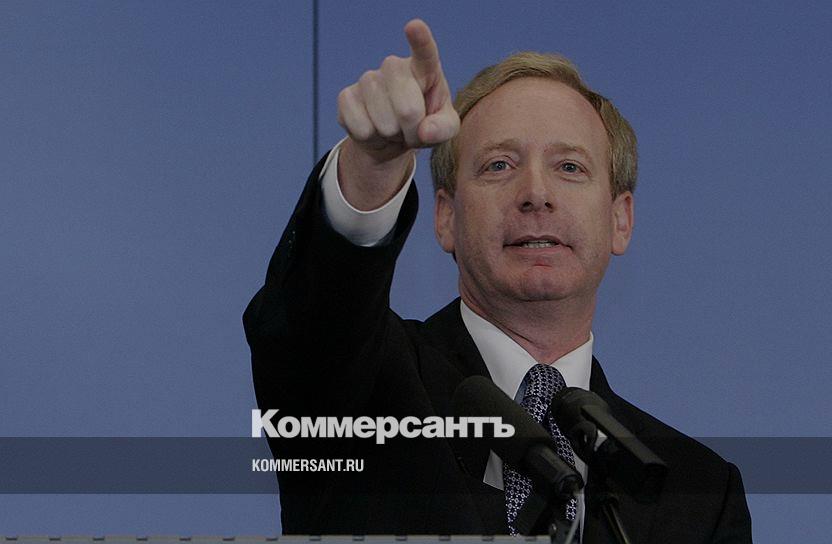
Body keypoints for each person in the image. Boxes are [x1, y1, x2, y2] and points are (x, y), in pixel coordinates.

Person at [244, 19, 752, 542]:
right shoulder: (365, 385)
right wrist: (371, 166)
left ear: (620, 219)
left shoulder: (699, 492)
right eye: (499, 165)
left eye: (570, 167)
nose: (536, 194)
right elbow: (311, 325)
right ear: (446, 216)